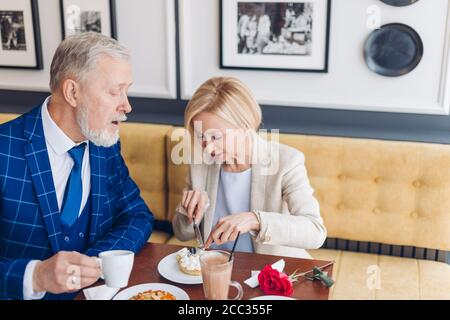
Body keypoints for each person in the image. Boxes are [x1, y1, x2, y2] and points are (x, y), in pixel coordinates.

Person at [0, 32, 154, 300]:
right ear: (72, 92)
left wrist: (96, 262)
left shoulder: (104, 144)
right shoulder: (4, 151)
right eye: (114, 91)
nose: (126, 105)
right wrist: (34, 276)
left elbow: (137, 215)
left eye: (126, 90)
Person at [172, 77, 326, 259]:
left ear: (245, 127)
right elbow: (182, 234)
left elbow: (315, 231)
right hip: (217, 267)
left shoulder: (287, 162)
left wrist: (255, 219)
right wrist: (187, 210)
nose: (208, 148)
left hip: (270, 271)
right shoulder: (200, 163)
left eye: (216, 137)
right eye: (201, 136)